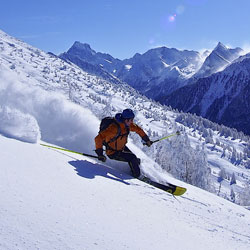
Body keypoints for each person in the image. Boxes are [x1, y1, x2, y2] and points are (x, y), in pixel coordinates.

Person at [95, 109, 153, 178]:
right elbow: (98, 138)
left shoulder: (127, 125)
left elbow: (139, 130)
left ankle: (136, 171)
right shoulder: (113, 129)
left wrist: (147, 140)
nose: (132, 121)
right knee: (132, 158)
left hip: (121, 147)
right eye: (131, 120)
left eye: (132, 119)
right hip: (113, 152)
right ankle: (138, 177)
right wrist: (100, 154)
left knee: (136, 160)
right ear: (126, 120)